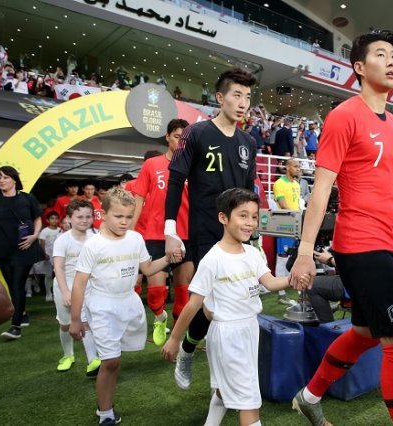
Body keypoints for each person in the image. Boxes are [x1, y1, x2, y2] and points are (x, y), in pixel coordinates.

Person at [288, 30, 393, 426]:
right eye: (381, 54)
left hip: (388, 241)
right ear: (359, 67)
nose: (392, 61)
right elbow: (321, 188)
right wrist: (305, 253)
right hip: (359, 243)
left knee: (365, 332)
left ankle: (308, 396)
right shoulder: (343, 116)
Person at [162, 188, 299, 425]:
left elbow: (270, 281)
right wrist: (175, 339)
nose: (250, 223)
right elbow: (193, 304)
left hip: (249, 329)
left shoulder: (253, 253)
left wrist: (292, 279)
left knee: (227, 389)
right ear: (223, 218)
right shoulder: (213, 259)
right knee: (249, 402)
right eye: (243, 215)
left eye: (254, 216)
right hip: (226, 335)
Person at [164, 68, 258, 390]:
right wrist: (170, 228)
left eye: (247, 97)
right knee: (211, 301)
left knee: (225, 303)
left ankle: (194, 351)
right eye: (237, 95)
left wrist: (252, 231)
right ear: (220, 97)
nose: (243, 102)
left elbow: (248, 193)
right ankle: (188, 350)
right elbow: (176, 180)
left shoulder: (248, 142)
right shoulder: (197, 133)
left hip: (238, 235)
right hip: (205, 231)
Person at [69, 188, 176, 425]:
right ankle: (105, 413)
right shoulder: (93, 245)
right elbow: (79, 284)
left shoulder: (136, 239)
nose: (124, 222)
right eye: (118, 216)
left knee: (115, 360)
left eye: (128, 217)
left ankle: (105, 406)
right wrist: (76, 319)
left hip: (128, 303)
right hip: (102, 306)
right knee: (110, 361)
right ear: (104, 214)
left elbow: (146, 269)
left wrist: (168, 259)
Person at [132, 119, 194, 346]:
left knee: (183, 291)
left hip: (186, 235)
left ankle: (177, 337)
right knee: (156, 292)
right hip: (155, 234)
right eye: (177, 136)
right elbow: (138, 200)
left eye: (185, 138)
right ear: (167, 137)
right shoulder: (152, 165)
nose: (181, 141)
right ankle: (160, 317)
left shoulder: (193, 166)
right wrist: (130, 232)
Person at [0, 166, 45, 340]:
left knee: (17, 284)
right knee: (13, 285)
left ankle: (15, 326)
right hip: (2, 249)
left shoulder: (28, 198)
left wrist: (35, 236)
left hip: (24, 247)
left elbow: (37, 218)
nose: (1, 181)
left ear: (14, 179)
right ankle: (22, 313)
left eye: (5, 177)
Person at [52, 199, 100, 375]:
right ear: (69, 218)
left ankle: (93, 361)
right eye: (79, 216)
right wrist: (65, 291)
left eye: (88, 216)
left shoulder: (96, 239)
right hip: (64, 286)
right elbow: (58, 267)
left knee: (85, 322)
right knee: (65, 324)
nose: (84, 220)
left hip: (87, 287)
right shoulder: (62, 240)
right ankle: (68, 355)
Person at [273, 158, 301, 303]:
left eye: (299, 166)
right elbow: (284, 205)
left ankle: (295, 288)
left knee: (294, 256)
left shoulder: (296, 184)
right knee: (282, 258)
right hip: (284, 225)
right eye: (295, 166)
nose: (298, 168)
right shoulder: (279, 183)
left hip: (296, 224)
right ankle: (281, 293)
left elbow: (297, 204)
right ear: (288, 167)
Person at [35, 210, 61, 302]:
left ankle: (57, 293)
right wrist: (44, 254)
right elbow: (42, 244)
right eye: (52, 218)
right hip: (48, 256)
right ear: (47, 220)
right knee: (48, 275)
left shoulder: (60, 230)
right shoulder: (44, 231)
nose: (54, 220)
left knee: (59, 275)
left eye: (56, 218)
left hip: (58, 256)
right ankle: (48, 293)